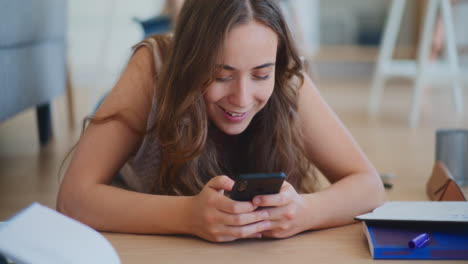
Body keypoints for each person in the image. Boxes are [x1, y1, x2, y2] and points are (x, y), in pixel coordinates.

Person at [57, 0, 385, 243]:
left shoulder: (285, 77)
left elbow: (369, 186)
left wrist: (303, 211)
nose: (242, 98)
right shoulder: (153, 66)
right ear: (190, 62)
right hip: (142, 123)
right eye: (221, 75)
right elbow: (73, 198)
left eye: (260, 75)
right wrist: (187, 215)